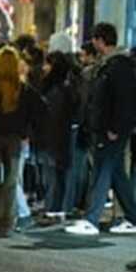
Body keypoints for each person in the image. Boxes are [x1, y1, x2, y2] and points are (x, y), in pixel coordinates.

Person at [66, 23, 136, 236]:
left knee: (101, 171)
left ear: (100, 40)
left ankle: (92, 219)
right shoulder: (113, 65)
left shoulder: (117, 66)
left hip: (110, 130)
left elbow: (123, 101)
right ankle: (132, 218)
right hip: (108, 128)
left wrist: (115, 126)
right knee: (115, 174)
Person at [0, 46, 43, 237]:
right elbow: (41, 113)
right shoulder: (24, 90)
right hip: (15, 140)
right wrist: (27, 132)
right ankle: (6, 221)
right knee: (10, 181)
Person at [34, 51, 78, 222]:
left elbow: (54, 118)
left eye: (48, 64)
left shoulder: (58, 89)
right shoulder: (61, 87)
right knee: (54, 174)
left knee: (53, 174)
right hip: (56, 138)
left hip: (54, 138)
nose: (44, 68)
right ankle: (54, 207)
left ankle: (54, 208)